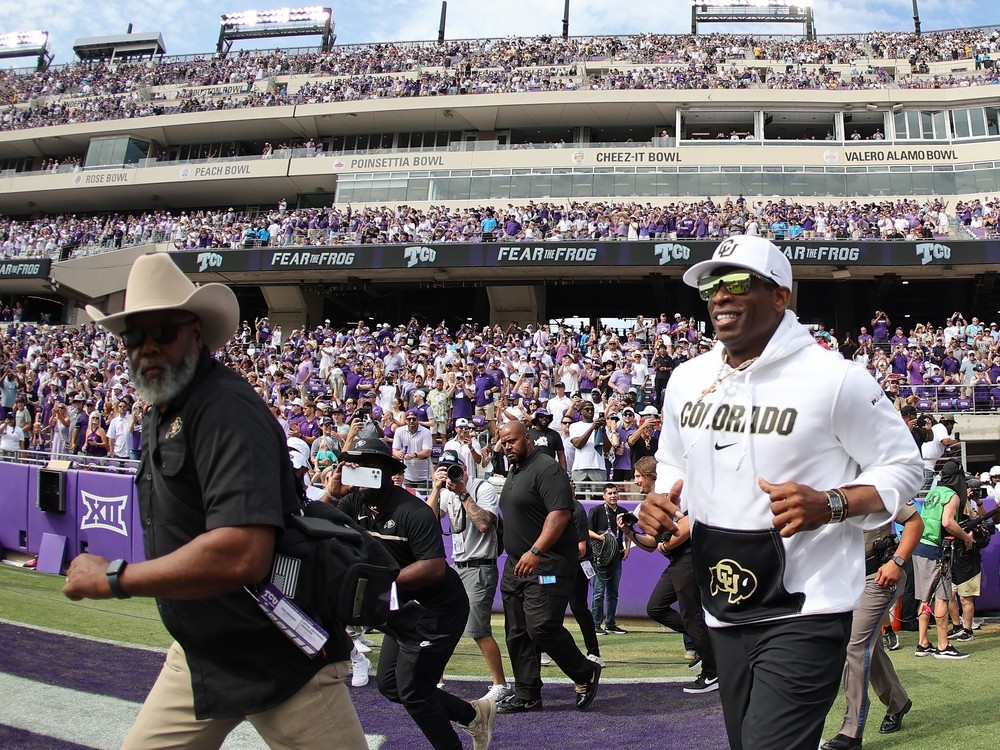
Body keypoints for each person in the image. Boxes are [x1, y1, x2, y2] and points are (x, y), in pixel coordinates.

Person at [62, 253, 368, 749]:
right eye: (133, 336)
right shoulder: (164, 409)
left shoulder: (224, 407)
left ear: (196, 332)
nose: (147, 348)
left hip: (278, 652)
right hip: (202, 651)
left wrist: (115, 578)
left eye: (164, 331)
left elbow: (241, 552)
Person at [638, 235, 923, 750]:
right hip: (723, 603)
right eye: (711, 285)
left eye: (736, 282)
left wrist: (832, 503)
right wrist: (663, 499)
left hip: (807, 608)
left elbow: (905, 465)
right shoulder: (687, 378)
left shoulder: (835, 379)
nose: (719, 296)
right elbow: (672, 460)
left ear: (780, 296)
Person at [326, 438, 496, 750]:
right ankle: (473, 715)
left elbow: (432, 567)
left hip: (437, 610)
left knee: (415, 692)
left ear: (386, 471)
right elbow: (316, 527)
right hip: (403, 607)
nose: (356, 471)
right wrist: (331, 494)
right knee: (390, 685)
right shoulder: (352, 502)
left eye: (365, 465)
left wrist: (378, 585)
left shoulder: (412, 512)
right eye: (352, 464)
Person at [494, 420, 601, 714]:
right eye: (503, 443)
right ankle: (528, 694)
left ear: (527, 439)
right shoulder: (515, 470)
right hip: (516, 566)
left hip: (546, 563)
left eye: (512, 441)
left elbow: (560, 514)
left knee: (541, 626)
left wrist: (536, 550)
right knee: (516, 632)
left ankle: (584, 672)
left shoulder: (546, 468)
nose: (507, 447)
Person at [821, 503, 923, 750]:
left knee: (854, 646)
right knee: (868, 646)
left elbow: (915, 523)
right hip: (845, 580)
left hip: (878, 575)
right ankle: (898, 701)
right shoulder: (826, 480)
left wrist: (897, 562)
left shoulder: (878, 482)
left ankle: (851, 731)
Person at [426, 450, 511, 703]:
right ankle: (436, 679)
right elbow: (427, 522)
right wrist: (436, 488)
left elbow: (484, 524)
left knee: (477, 629)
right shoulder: (445, 493)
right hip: (457, 566)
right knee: (441, 623)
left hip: (480, 566)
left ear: (465, 468)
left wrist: (463, 492)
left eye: (454, 468)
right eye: (445, 469)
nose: (451, 474)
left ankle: (500, 684)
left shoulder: (482, 488)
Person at [912, 460, 975, 660]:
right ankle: (943, 645)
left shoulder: (933, 492)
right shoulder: (952, 496)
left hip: (920, 546)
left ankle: (923, 643)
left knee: (924, 598)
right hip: (937, 550)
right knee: (942, 596)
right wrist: (966, 537)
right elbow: (948, 522)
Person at [588, 483, 630, 635]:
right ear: (604, 496)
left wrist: (627, 548)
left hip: (617, 557)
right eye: (610, 493)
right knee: (599, 592)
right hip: (601, 558)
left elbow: (629, 531)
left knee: (613, 592)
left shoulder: (623, 512)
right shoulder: (596, 511)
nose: (613, 496)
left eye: (615, 493)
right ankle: (595, 624)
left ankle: (610, 624)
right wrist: (599, 537)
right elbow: (587, 530)